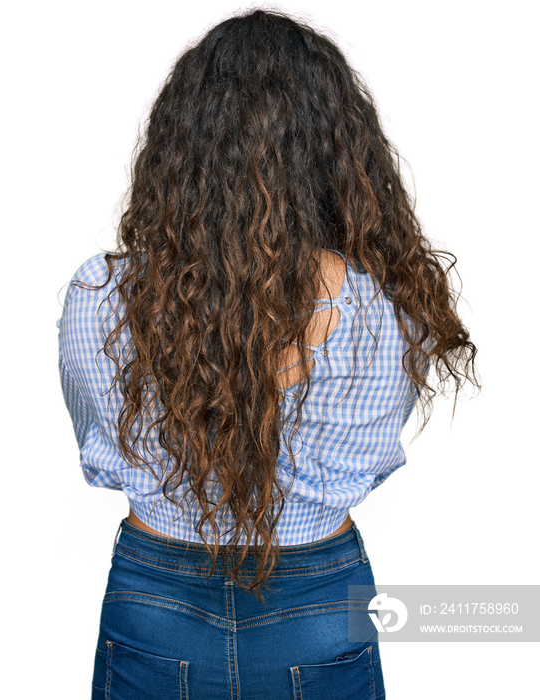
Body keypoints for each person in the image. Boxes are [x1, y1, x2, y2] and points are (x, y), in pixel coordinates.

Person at [56, 8, 479, 699]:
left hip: (156, 597)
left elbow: (101, 448)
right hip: (319, 598)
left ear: (179, 147)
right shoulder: (389, 310)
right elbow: (367, 463)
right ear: (339, 150)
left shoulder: (100, 295)